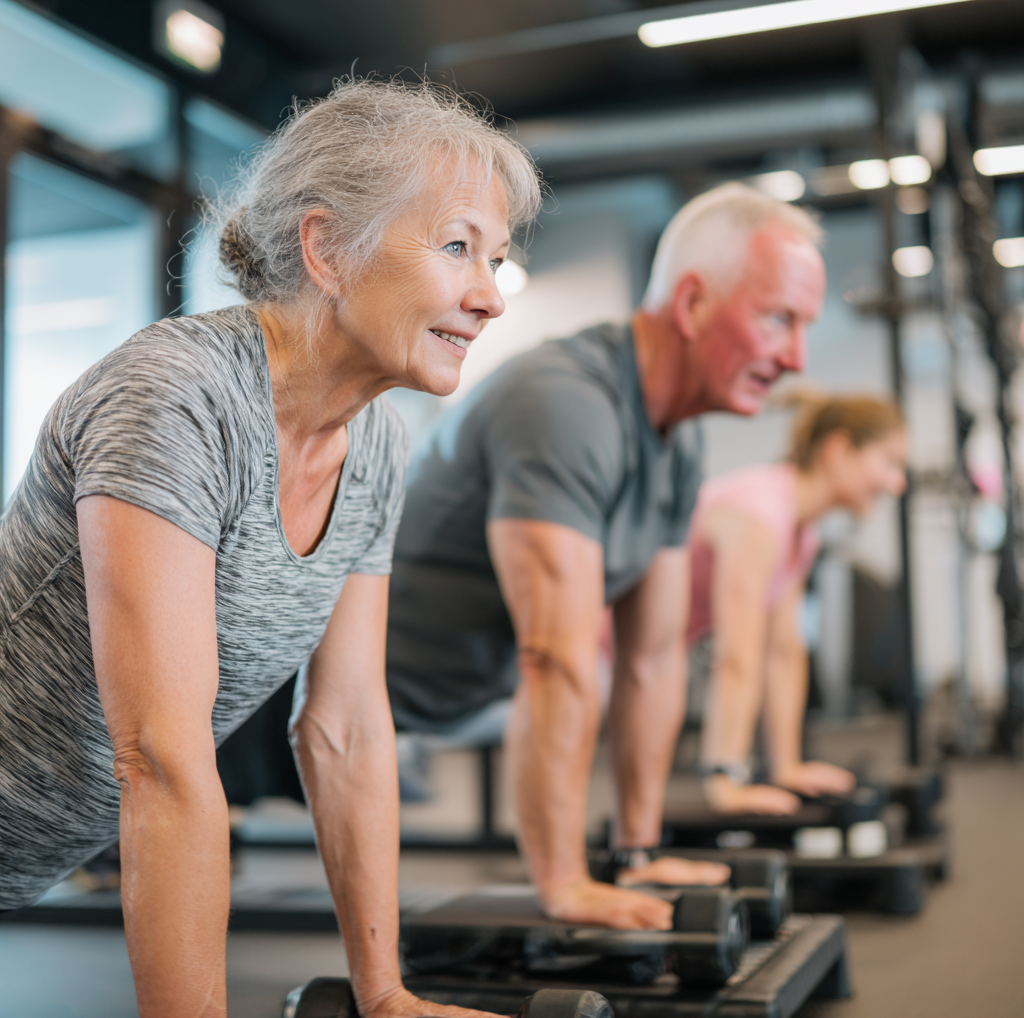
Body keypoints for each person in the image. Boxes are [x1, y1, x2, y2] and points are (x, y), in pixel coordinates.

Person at [0, 78, 540, 1018]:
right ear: (326, 248)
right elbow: (161, 762)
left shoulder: (372, 443)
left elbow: (347, 727)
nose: (490, 296)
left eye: (496, 259)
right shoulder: (179, 397)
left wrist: (384, 995)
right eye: (458, 247)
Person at [385, 183, 827, 931]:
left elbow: (650, 660)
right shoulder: (566, 402)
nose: (796, 358)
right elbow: (553, 658)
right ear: (691, 305)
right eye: (777, 319)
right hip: (282, 708)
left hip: (436, 706)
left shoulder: (678, 438)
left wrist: (633, 852)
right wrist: (563, 885)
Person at [689, 392, 907, 815]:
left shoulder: (799, 530)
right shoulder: (760, 516)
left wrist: (786, 766)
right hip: (601, 650)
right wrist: (724, 781)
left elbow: (783, 651)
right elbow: (736, 656)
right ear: (839, 451)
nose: (897, 483)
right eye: (888, 462)